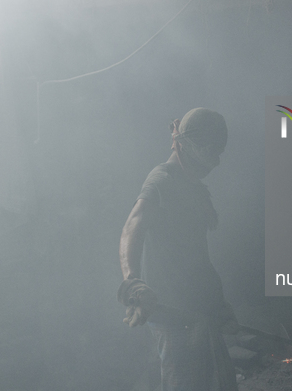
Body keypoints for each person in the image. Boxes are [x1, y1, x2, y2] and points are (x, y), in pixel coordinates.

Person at [117, 108, 238, 391]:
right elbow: (131, 227)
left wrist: (218, 303)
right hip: (175, 319)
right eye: (210, 151)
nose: (215, 160)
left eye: (218, 152)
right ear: (188, 144)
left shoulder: (191, 185)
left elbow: (196, 257)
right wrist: (133, 283)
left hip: (201, 312)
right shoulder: (162, 180)